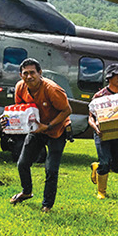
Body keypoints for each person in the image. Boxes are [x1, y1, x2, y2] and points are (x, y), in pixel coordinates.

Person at [10, 58, 72, 212]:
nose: (29, 76)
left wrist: (48, 125)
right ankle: (26, 192)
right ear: (21, 75)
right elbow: (20, 110)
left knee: (51, 169)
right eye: (25, 73)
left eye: (32, 73)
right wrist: (8, 119)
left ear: (40, 73)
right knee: (22, 163)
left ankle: (47, 205)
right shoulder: (20, 87)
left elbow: (67, 110)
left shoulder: (52, 89)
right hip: (36, 130)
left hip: (56, 130)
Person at [86, 67, 118, 198]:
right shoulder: (100, 96)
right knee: (105, 162)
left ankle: (97, 168)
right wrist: (96, 128)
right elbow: (90, 117)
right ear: (109, 78)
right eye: (117, 76)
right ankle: (101, 192)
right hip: (102, 134)